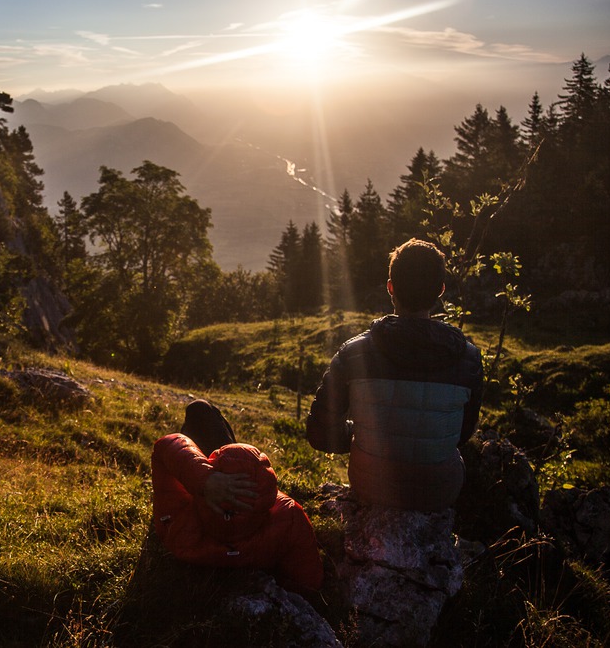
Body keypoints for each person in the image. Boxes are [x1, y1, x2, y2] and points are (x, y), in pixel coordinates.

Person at [305, 238, 483, 512]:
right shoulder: (468, 359)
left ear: (390, 287)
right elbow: (462, 433)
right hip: (439, 490)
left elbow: (320, 434)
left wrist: (359, 435)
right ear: (441, 290)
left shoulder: (354, 354)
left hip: (372, 485)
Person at [151, 399, 324, 595]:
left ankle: (221, 463)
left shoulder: (179, 531)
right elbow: (310, 581)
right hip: (253, 537)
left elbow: (167, 446)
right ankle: (239, 467)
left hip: (202, 521)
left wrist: (206, 480)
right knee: (240, 457)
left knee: (198, 410)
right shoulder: (287, 516)